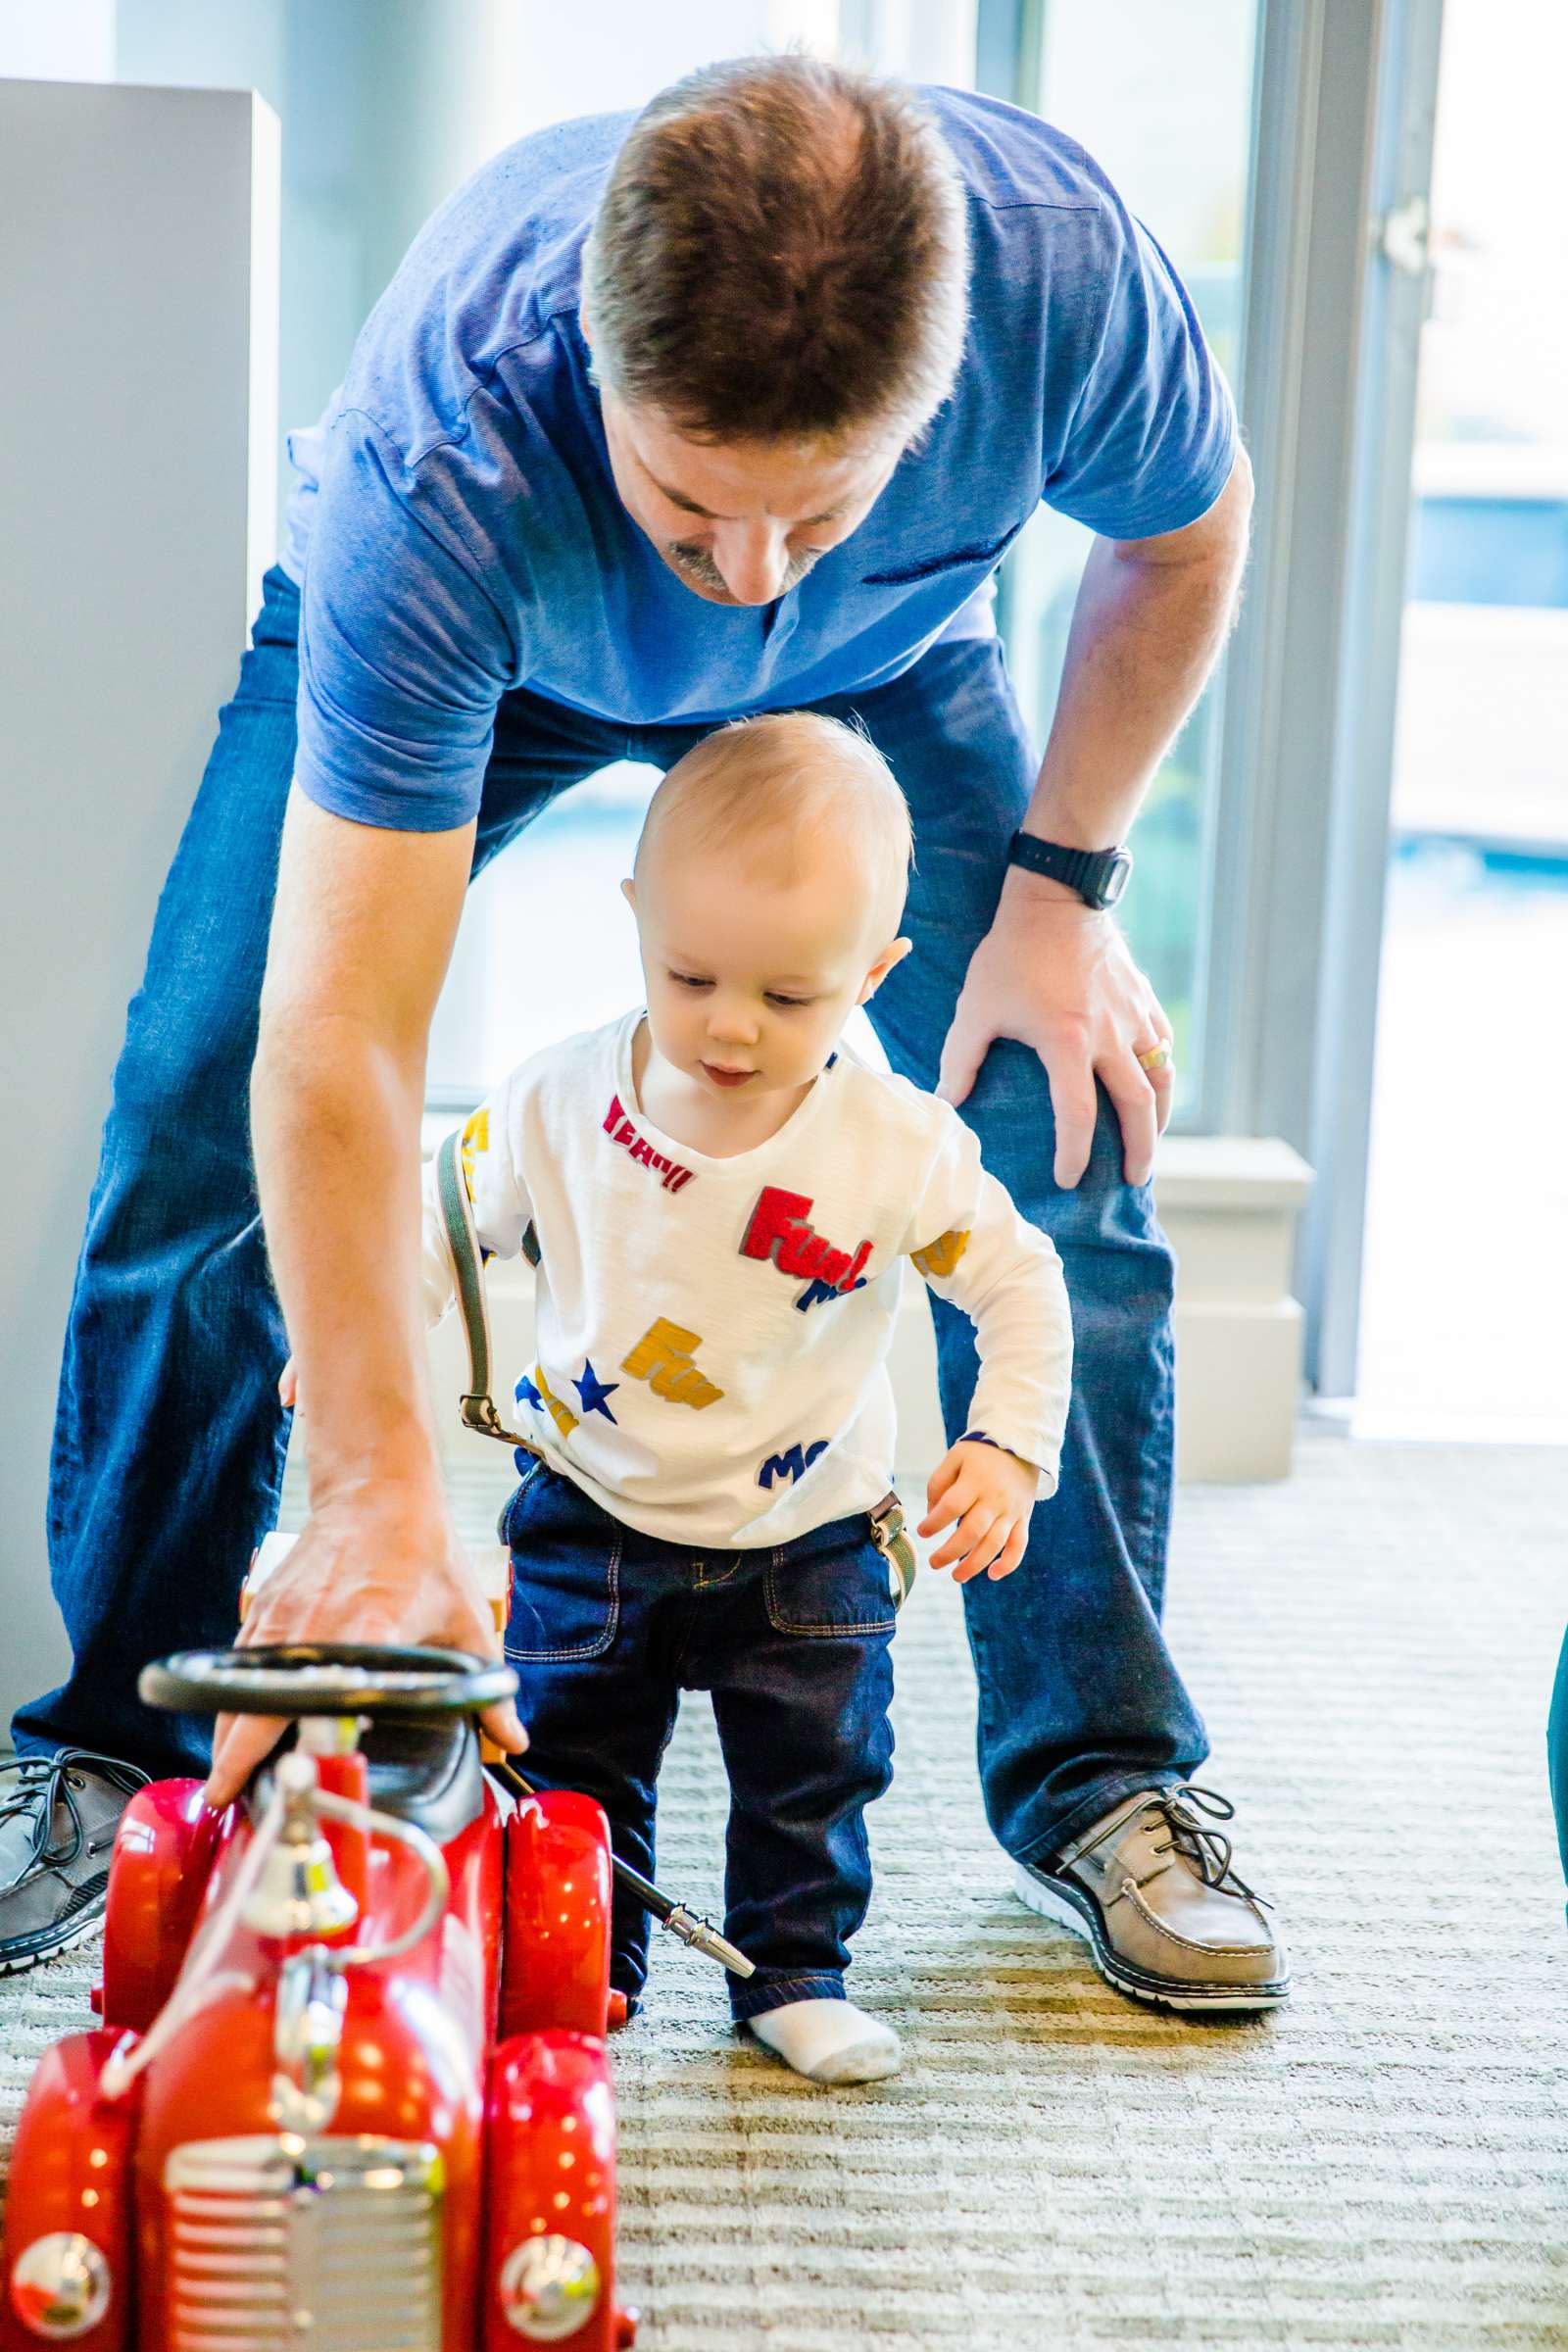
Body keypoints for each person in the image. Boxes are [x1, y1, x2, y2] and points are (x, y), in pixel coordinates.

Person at [3, 54, 1288, 2011]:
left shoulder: (1061, 281)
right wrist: (373, 1491)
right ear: (592, 370)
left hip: (887, 676)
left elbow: (1182, 542)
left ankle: (1105, 1777)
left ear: (937, 395)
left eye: (816, 507)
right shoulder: (449, 458)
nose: (750, 577)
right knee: (194, 1117)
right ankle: (116, 1738)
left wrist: (1057, 891)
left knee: (1051, 1099)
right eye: (691, 506)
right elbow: (340, 1032)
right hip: (495, 653)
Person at [393, 710, 1070, 2082]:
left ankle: (792, 1973)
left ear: (875, 971)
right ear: (636, 914)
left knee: (813, 1776)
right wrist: (360, 1343)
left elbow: (1020, 1279)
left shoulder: (892, 1146)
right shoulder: (557, 1101)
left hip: (809, 1538)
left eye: (791, 997)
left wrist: (1006, 1443)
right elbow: (438, 1224)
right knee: (570, 1767)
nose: (730, 1027)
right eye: (689, 974)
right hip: (591, 1508)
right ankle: (583, 1963)